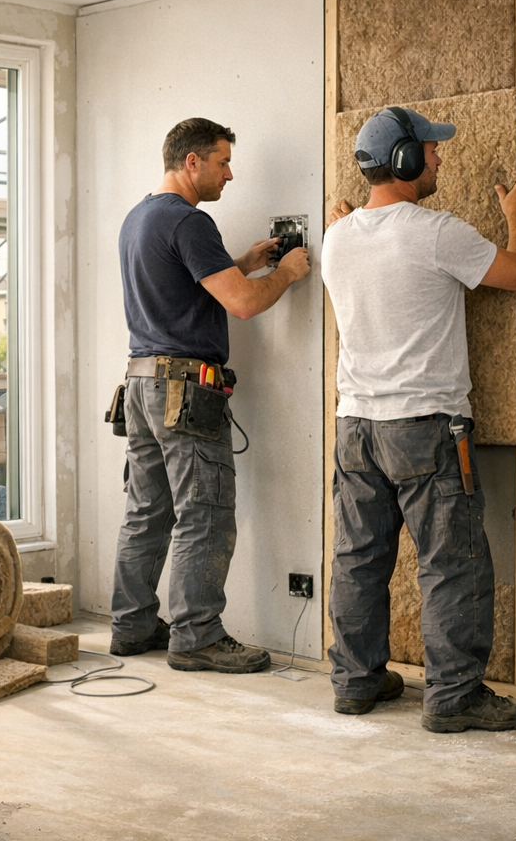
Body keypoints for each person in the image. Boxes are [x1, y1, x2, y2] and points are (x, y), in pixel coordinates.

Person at [322, 105, 516, 732]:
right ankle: (454, 696)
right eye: (431, 148)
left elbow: (370, 245)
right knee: (452, 562)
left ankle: (356, 681)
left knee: (359, 559)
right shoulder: (437, 232)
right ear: (404, 159)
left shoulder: (338, 236)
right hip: (425, 427)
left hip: (355, 427)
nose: (440, 157)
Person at [110, 117, 311, 672]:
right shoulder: (190, 221)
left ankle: (131, 625)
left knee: (147, 512)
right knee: (205, 511)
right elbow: (243, 305)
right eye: (222, 162)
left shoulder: (139, 218)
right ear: (192, 161)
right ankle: (197, 634)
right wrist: (288, 273)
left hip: (141, 384)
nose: (230, 174)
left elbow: (184, 287)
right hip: (184, 392)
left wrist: (243, 264)